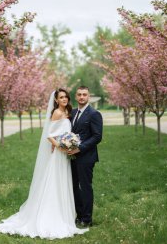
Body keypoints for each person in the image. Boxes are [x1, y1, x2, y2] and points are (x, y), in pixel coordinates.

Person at [0, 89, 88, 240]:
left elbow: (63, 132)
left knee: (64, 182)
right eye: (61, 97)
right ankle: (51, 213)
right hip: (59, 154)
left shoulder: (68, 112)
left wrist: (70, 143)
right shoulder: (58, 113)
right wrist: (60, 146)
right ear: (56, 100)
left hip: (66, 154)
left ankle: (65, 213)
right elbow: (49, 135)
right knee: (55, 181)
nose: (64, 99)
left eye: (66, 97)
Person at [68, 86, 103, 227]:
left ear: (88, 96)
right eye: (79, 94)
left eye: (84, 94)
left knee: (85, 187)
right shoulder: (72, 112)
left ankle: (87, 219)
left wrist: (79, 148)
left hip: (86, 157)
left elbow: (97, 136)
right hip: (71, 157)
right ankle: (79, 214)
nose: (82, 97)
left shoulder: (94, 114)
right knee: (74, 187)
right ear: (76, 97)